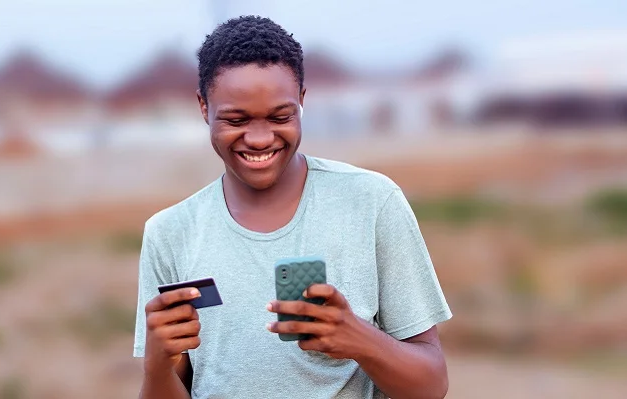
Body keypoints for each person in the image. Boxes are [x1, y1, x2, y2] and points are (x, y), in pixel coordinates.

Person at [133, 15, 452, 399]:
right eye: (235, 120)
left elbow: (431, 387)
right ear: (204, 107)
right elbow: (170, 385)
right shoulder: (170, 233)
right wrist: (155, 367)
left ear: (302, 101)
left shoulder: (371, 202)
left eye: (280, 117)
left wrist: (359, 339)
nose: (259, 138)